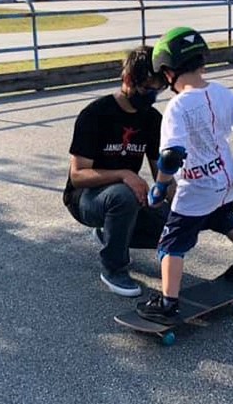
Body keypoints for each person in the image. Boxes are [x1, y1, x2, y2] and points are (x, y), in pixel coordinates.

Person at [137, 26, 233, 324]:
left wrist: (159, 188)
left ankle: (168, 302)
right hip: (227, 178)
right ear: (201, 61)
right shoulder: (222, 92)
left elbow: (171, 156)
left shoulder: (178, 106)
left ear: (168, 71)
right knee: (222, 216)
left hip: (197, 186)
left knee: (171, 243)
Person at [63, 46, 172, 297]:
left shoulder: (152, 119)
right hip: (85, 198)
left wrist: (186, 207)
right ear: (127, 80)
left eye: (158, 89)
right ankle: (114, 268)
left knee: (174, 221)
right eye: (146, 89)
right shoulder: (95, 114)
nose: (152, 96)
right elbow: (78, 175)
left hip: (126, 196)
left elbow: (161, 174)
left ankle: (110, 233)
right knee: (122, 195)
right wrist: (124, 173)